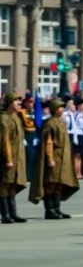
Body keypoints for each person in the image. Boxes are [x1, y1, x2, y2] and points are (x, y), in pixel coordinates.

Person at [29, 98, 80, 220]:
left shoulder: (62, 121)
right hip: (55, 157)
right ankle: (49, 210)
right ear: (54, 109)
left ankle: (57, 209)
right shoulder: (50, 123)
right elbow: (48, 143)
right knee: (50, 184)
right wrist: (50, 158)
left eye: (62, 107)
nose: (62, 109)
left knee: (59, 184)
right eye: (59, 107)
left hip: (63, 157)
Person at [0, 93, 29, 224]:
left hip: (17, 156)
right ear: (10, 103)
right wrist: (8, 159)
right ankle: (5, 214)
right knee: (4, 185)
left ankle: (13, 213)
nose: (19, 103)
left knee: (12, 184)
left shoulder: (16, 117)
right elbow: (5, 141)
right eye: (16, 101)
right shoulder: (4, 119)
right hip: (7, 157)